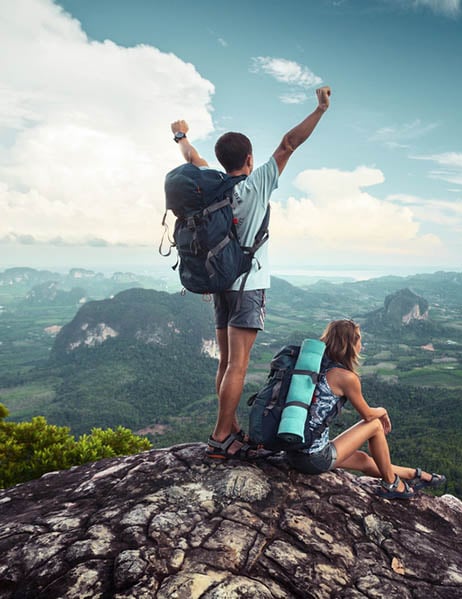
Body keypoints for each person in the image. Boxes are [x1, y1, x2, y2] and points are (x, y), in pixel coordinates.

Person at [171, 86, 332, 460]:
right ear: (248, 157)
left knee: (226, 363)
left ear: (221, 160)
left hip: (220, 283)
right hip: (248, 285)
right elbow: (289, 143)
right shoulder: (257, 183)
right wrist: (320, 109)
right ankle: (221, 436)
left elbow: (192, 157)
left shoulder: (212, 186)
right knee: (238, 365)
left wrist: (181, 136)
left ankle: (229, 429)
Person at [286, 319, 446, 499]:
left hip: (292, 452)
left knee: (362, 459)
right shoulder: (346, 377)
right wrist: (383, 410)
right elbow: (368, 415)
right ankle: (392, 484)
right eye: (359, 340)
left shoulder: (312, 367)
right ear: (350, 344)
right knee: (375, 425)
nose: (361, 345)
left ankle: (414, 474)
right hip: (313, 458)